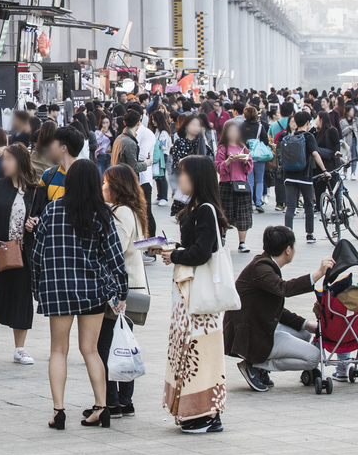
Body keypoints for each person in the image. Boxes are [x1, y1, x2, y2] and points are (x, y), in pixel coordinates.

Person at [30, 158, 126, 430]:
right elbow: (115, 258)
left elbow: (37, 254)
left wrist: (37, 288)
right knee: (91, 350)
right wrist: (122, 290)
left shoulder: (52, 210)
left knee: (58, 350)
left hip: (58, 290)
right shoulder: (101, 214)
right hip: (92, 290)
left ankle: (59, 411)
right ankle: (102, 407)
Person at [157, 155, 229, 434]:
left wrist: (175, 255)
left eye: (184, 174)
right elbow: (194, 246)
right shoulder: (195, 208)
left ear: (197, 177)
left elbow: (201, 252)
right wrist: (173, 249)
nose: (179, 179)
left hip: (199, 295)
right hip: (188, 292)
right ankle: (193, 411)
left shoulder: (206, 210)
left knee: (199, 351)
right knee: (188, 350)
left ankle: (206, 413)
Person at [225, 226, 335, 392]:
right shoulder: (261, 268)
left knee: (305, 333)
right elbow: (285, 288)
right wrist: (318, 273)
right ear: (288, 250)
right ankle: (257, 365)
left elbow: (275, 309)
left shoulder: (264, 264)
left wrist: (306, 324)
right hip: (252, 336)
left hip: (257, 326)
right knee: (314, 358)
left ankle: (259, 365)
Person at [0, 144, 47, 364]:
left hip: (23, 253)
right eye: (3, 159)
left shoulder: (36, 191)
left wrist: (35, 221)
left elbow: (43, 215)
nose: (4, 163)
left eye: (9, 159)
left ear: (21, 161)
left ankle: (20, 348)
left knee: (21, 298)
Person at [96, 164, 148, 418]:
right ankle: (124, 401)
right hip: (129, 287)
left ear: (117, 187)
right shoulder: (130, 210)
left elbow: (115, 250)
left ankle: (113, 401)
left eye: (106, 183)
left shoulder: (122, 213)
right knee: (122, 343)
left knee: (106, 345)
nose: (102, 187)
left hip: (120, 291)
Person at [281, 112, 326, 245]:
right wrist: (324, 170)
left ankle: (287, 235)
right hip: (304, 177)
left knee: (290, 206)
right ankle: (310, 235)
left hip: (289, 176)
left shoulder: (289, 137)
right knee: (308, 205)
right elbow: (315, 153)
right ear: (307, 123)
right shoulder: (308, 136)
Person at [215, 121, 255, 254]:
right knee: (224, 213)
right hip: (226, 184)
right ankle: (222, 238)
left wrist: (245, 161)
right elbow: (218, 168)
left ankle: (242, 242)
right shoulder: (222, 149)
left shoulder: (243, 148)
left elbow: (249, 168)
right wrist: (228, 161)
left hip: (242, 184)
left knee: (243, 214)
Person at [239, 105, 269, 211]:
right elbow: (265, 141)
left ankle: (250, 203)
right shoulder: (260, 126)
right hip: (259, 155)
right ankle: (258, 202)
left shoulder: (241, 127)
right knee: (260, 180)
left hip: (246, 155)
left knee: (249, 180)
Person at [151, 109, 173, 208]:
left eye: (154, 119)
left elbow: (162, 145)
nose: (153, 122)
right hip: (157, 155)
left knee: (162, 176)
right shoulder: (156, 131)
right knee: (157, 176)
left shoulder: (164, 132)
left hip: (162, 155)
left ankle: (164, 197)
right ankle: (159, 196)